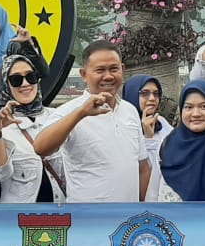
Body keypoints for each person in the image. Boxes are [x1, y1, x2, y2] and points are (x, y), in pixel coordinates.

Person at [34, 42, 150, 202]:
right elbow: (40, 148)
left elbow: (142, 166)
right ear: (84, 74)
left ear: (122, 69)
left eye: (114, 69)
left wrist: (143, 206)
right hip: (86, 215)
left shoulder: (130, 110)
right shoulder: (69, 111)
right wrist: (81, 113)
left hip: (128, 214)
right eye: (100, 70)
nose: (108, 76)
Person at [0, 53, 65, 203]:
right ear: (4, 84)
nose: (25, 84)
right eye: (16, 79)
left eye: (31, 77)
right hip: (19, 214)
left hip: (60, 211)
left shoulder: (56, 117)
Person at [153, 81, 205, 202]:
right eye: (189, 107)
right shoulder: (169, 144)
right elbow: (155, 190)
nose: (196, 114)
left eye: (204, 106)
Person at [124, 73, 172, 172]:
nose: (152, 98)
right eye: (145, 93)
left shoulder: (160, 122)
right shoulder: (125, 130)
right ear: (132, 95)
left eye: (156, 93)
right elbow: (143, 171)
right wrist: (148, 138)